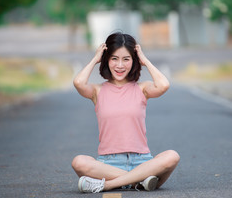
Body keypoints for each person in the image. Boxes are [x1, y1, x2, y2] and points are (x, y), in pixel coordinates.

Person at [72, 32, 180, 193]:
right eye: (114, 58)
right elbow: (79, 82)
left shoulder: (142, 88)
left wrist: (145, 60)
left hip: (143, 161)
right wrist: (95, 59)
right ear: (106, 59)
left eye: (126, 59)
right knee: (79, 162)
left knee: (172, 156)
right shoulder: (97, 91)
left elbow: (163, 85)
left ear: (134, 61)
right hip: (108, 165)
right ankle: (139, 181)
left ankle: (108, 185)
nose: (120, 65)